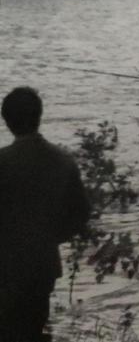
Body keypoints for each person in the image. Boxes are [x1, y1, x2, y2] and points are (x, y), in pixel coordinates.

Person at [0, 87, 91, 341]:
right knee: (35, 329)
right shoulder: (63, 161)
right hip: (44, 267)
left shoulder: (3, 162)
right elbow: (82, 213)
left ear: (6, 121)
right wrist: (50, 237)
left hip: (6, 270)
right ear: (39, 116)